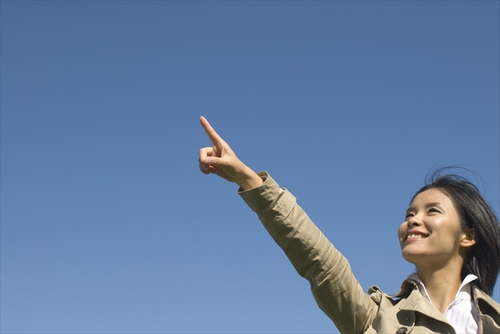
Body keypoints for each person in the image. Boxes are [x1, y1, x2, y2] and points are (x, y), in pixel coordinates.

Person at [198, 116, 500, 334]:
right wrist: (249, 180)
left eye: (431, 211)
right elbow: (322, 265)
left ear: (468, 236)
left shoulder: (492, 321)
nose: (413, 220)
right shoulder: (377, 318)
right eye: (409, 213)